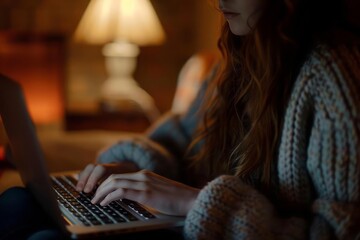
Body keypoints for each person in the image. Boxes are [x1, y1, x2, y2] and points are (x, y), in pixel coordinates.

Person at [1, 0, 359, 239]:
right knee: (18, 202)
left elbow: (340, 230)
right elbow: (174, 142)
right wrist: (128, 167)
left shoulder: (333, 74)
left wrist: (197, 203)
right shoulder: (229, 67)